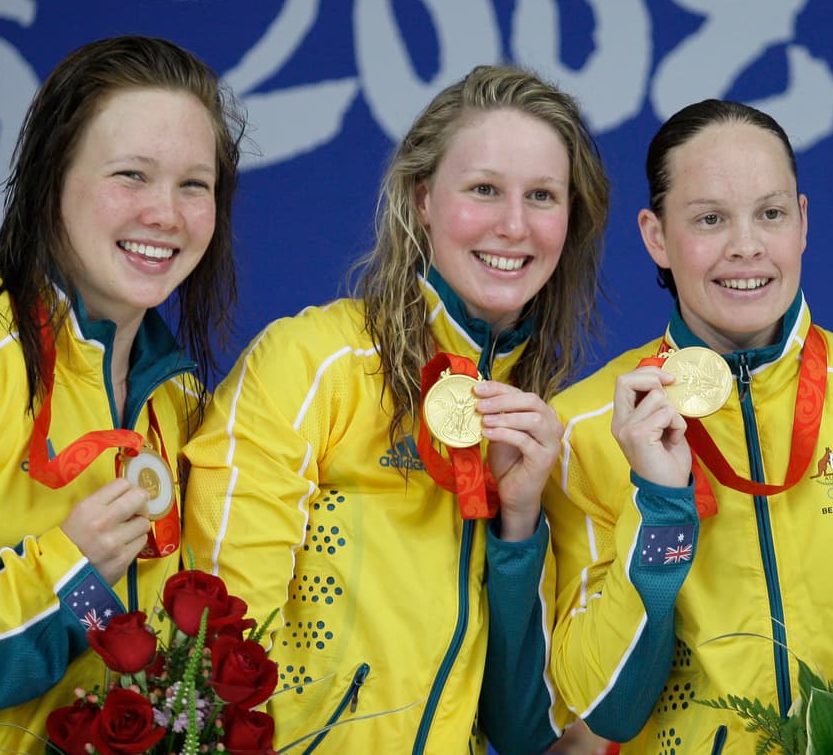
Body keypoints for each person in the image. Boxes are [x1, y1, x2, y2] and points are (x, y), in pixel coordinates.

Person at [543, 99, 833, 752]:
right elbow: (606, 705)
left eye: (771, 213)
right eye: (709, 218)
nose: (746, 245)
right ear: (656, 236)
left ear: (803, 221)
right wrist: (660, 508)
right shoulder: (584, 430)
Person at [182, 65, 610, 753]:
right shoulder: (316, 363)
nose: (514, 224)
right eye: (484, 189)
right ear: (422, 199)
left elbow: (523, 730)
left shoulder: (539, 428)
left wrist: (519, 522)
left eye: (542, 196)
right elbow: (214, 647)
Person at [0, 35, 242, 752]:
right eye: (131, 175)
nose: (165, 214)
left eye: (194, 185)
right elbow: (75, 592)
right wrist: (65, 575)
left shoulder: (179, 401)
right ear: (51, 177)